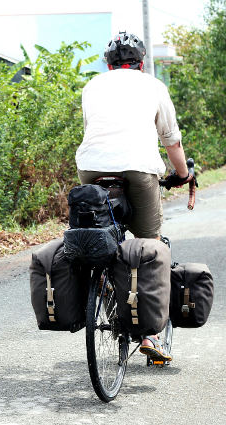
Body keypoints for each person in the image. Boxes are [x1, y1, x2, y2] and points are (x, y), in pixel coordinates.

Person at [76, 31, 193, 362]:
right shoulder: (154, 86)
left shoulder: (92, 86)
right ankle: (152, 335)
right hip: (139, 168)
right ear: (141, 63)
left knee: (100, 234)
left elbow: (91, 129)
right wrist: (183, 175)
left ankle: (102, 286)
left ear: (109, 65)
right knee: (149, 244)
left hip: (90, 167)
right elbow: (171, 140)